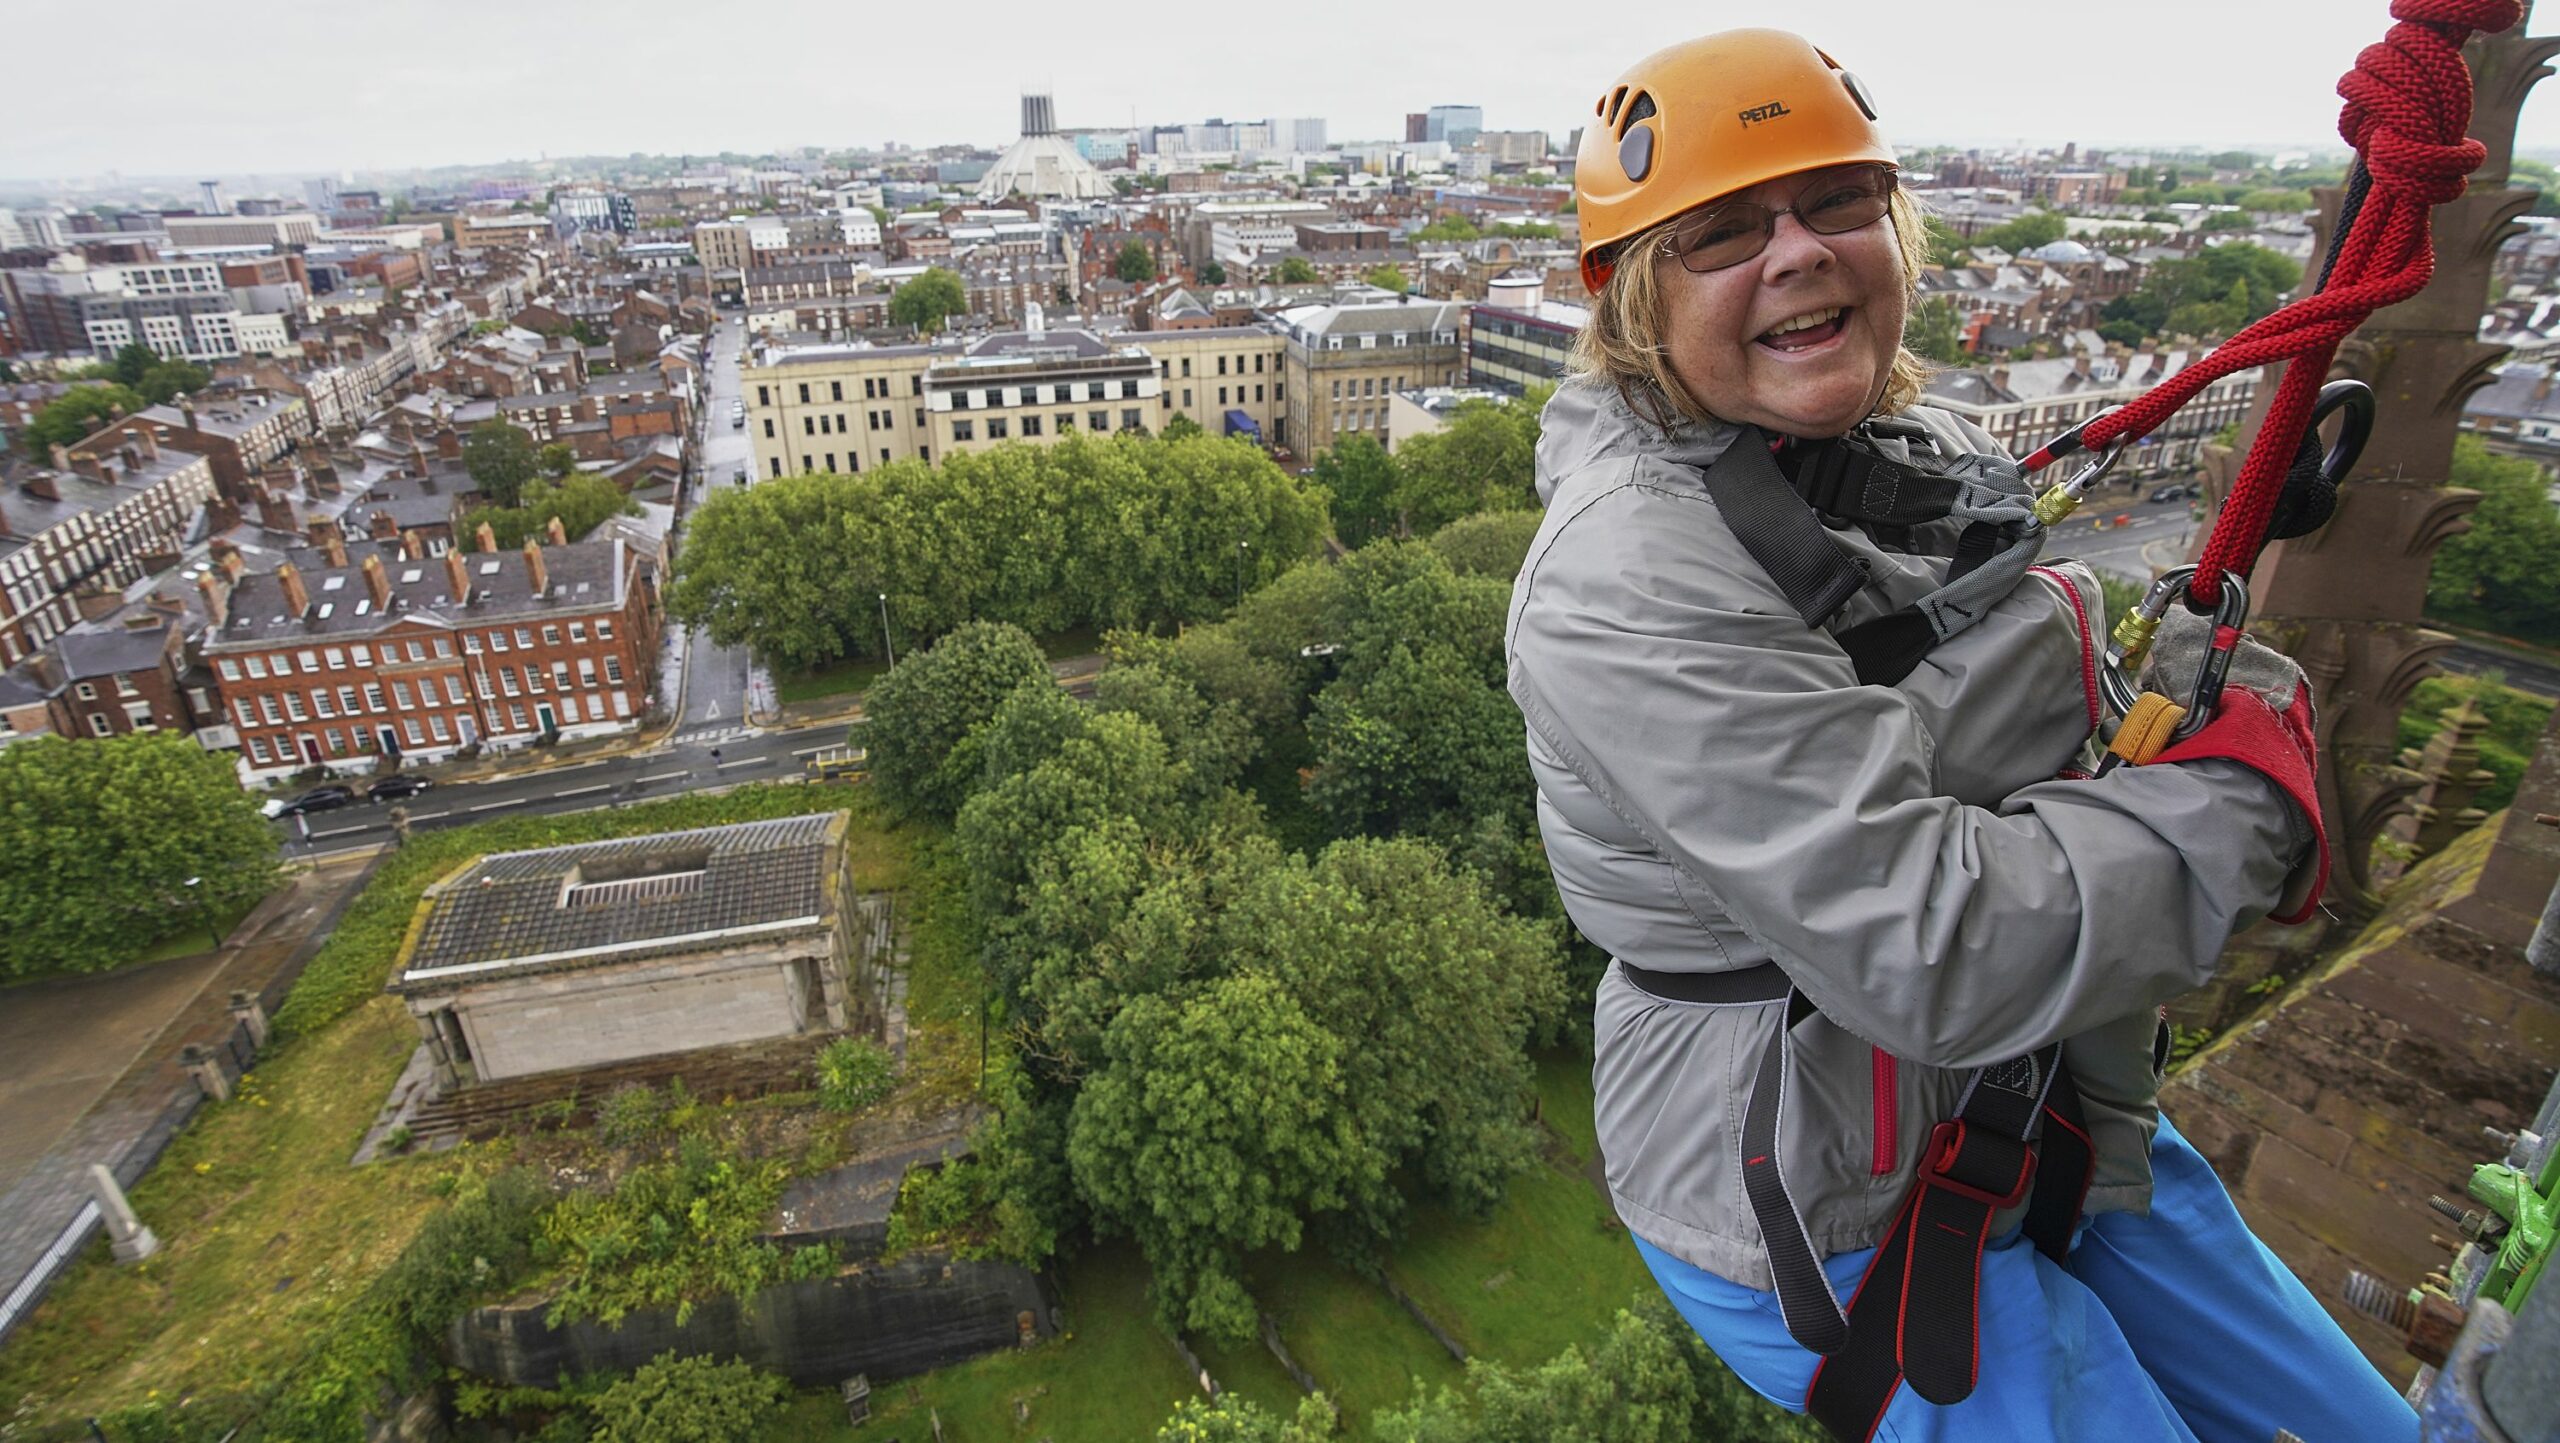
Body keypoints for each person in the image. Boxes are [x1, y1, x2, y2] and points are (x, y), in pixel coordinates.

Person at [1503, 28, 2411, 1443]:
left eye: (1836, 203)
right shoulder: (1625, 581)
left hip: (2038, 1094)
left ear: (1895, 229)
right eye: (1723, 232)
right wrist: (2238, 795)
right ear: (1629, 305)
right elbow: (1932, 940)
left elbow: (1982, 708)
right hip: (1829, 1194)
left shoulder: (1892, 457)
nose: (1796, 251)